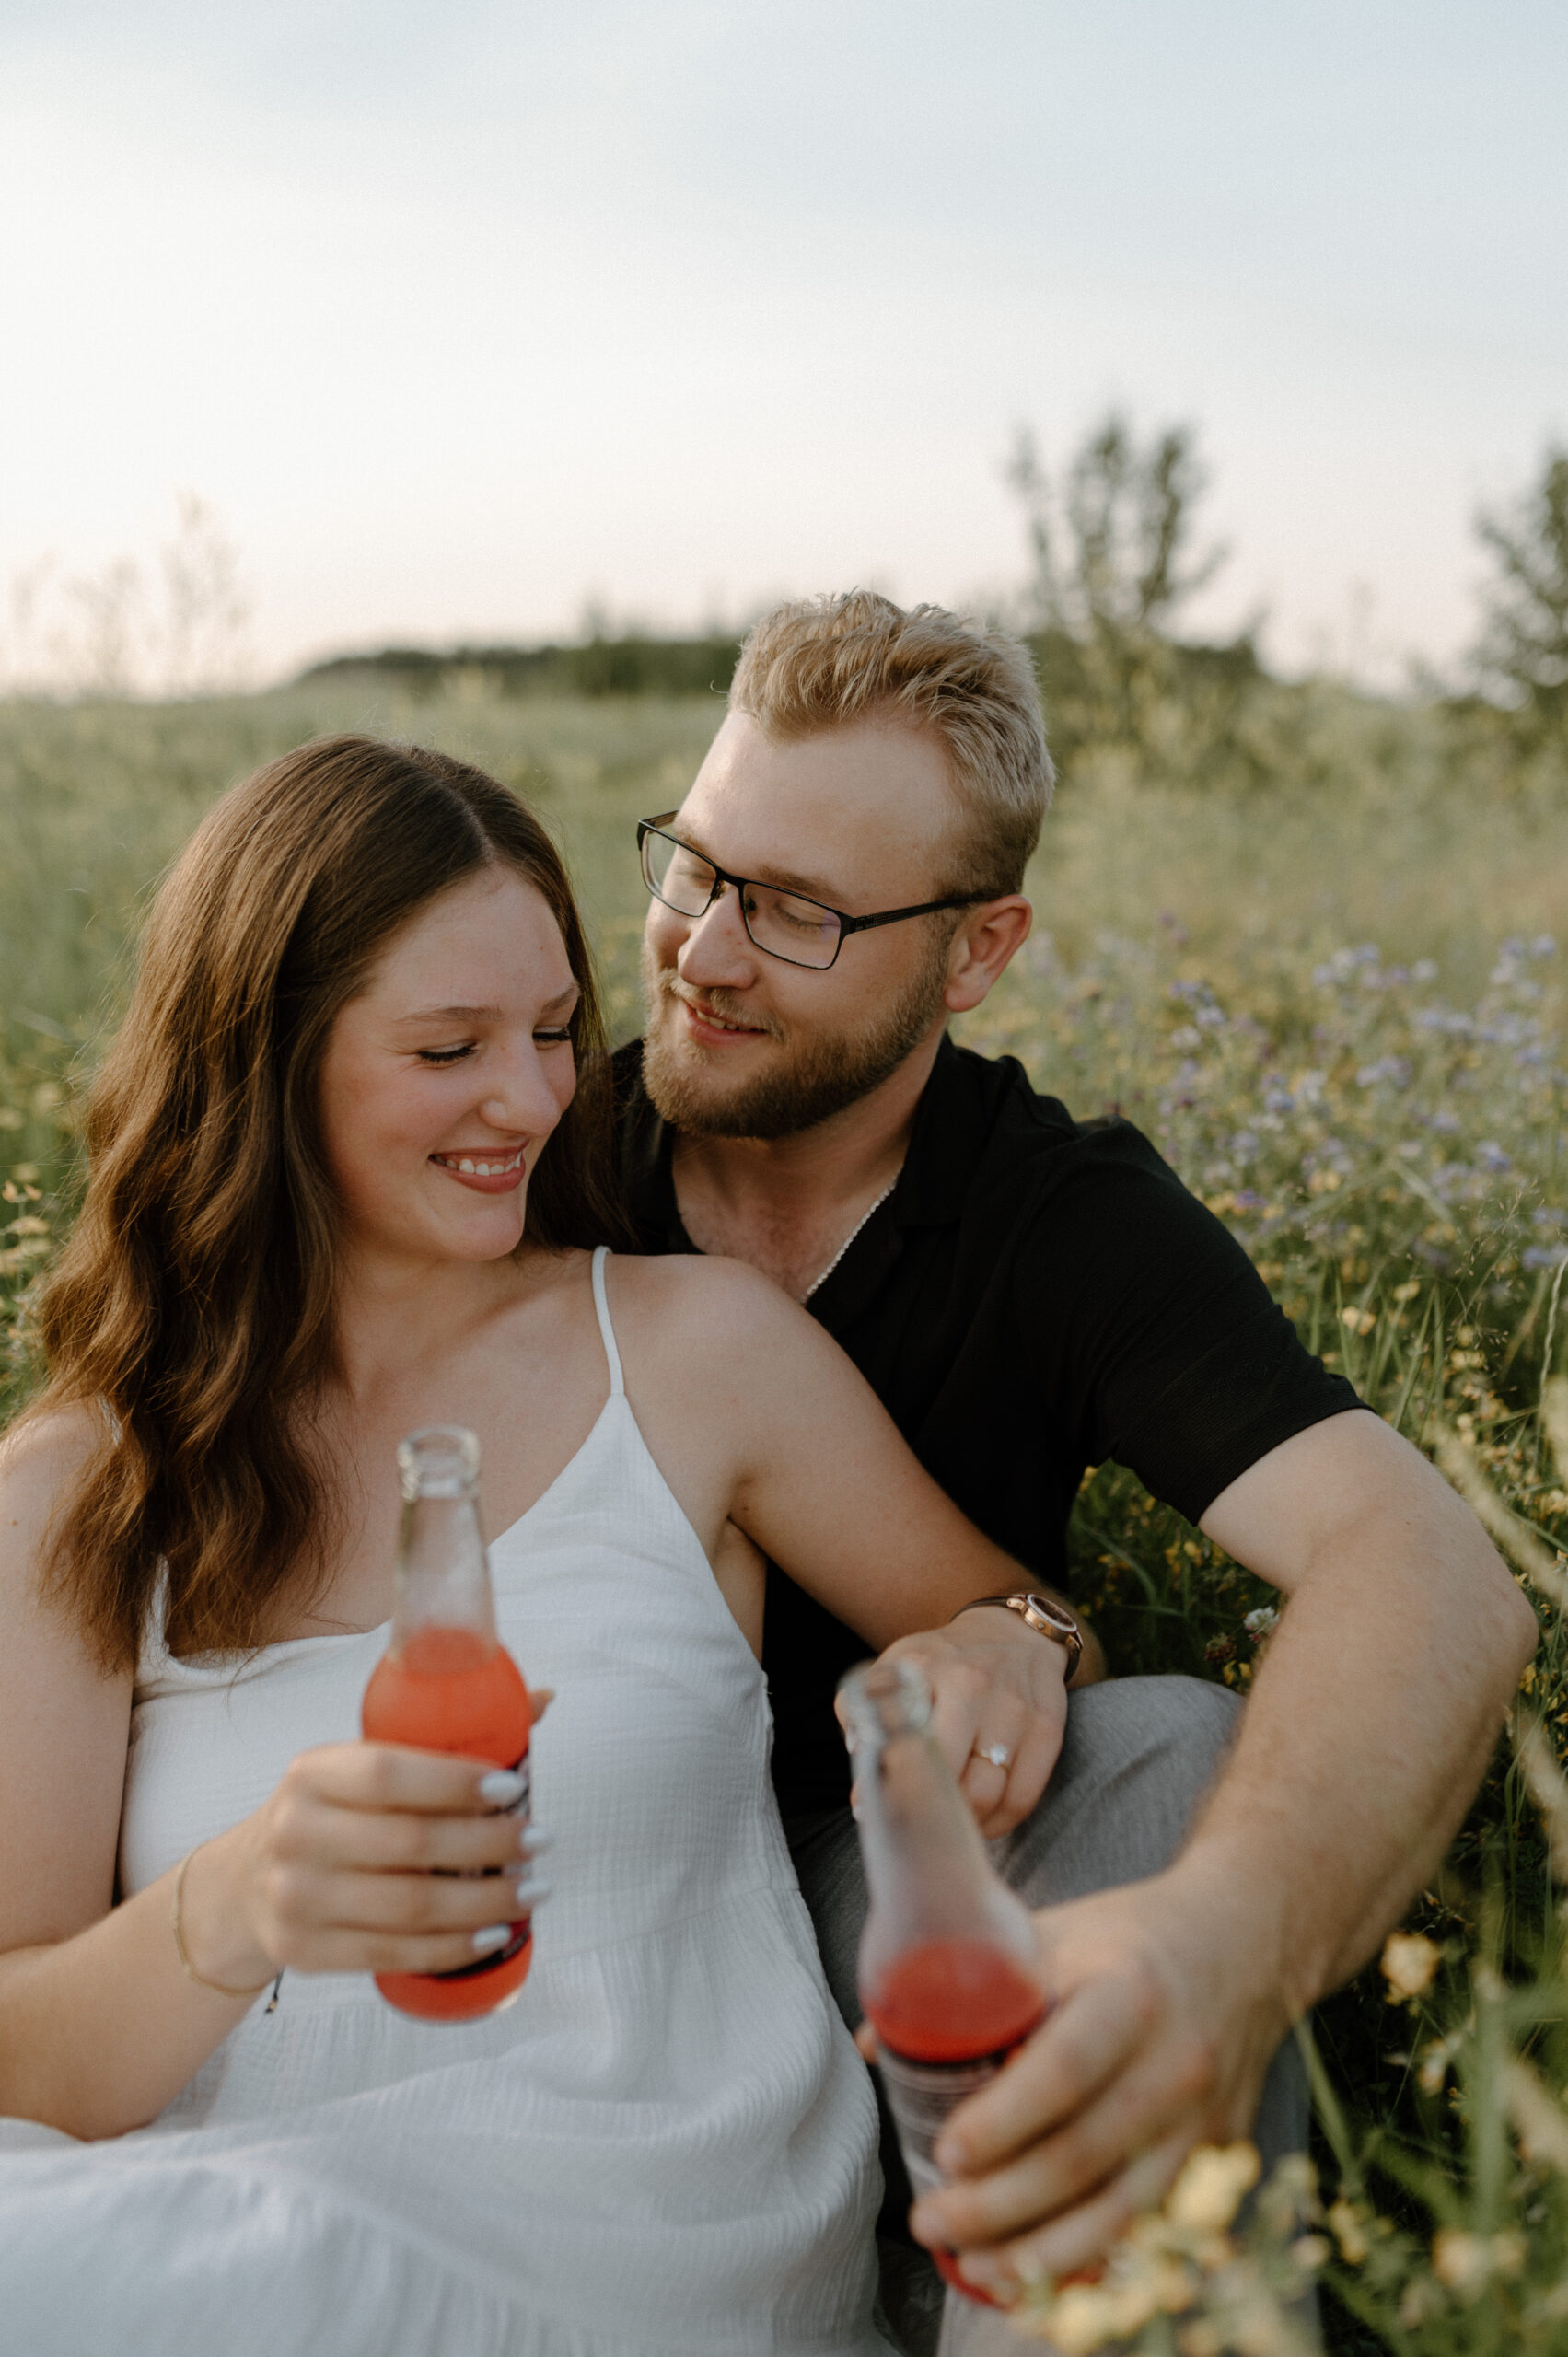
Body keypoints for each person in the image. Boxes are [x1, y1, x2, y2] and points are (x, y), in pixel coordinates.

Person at [0, 736, 1080, 2357]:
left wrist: (1017, 1636)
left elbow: (1010, 1614)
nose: (535, 1096)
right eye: (449, 1047)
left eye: (559, 1030)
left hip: (634, 2237)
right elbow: (21, 2071)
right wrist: (228, 1909)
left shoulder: (692, 1352)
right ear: (263, 1062)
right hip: (201, 2218)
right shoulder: (82, 1488)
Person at [616, 590, 1538, 2329]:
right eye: (697, 864)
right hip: (586, 1908)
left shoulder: (1059, 1218)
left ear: (975, 953)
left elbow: (1432, 1569)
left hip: (888, 1915)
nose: (706, 951)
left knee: (1168, 1748)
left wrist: (1226, 1943)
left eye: (802, 912)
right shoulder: (518, 1154)